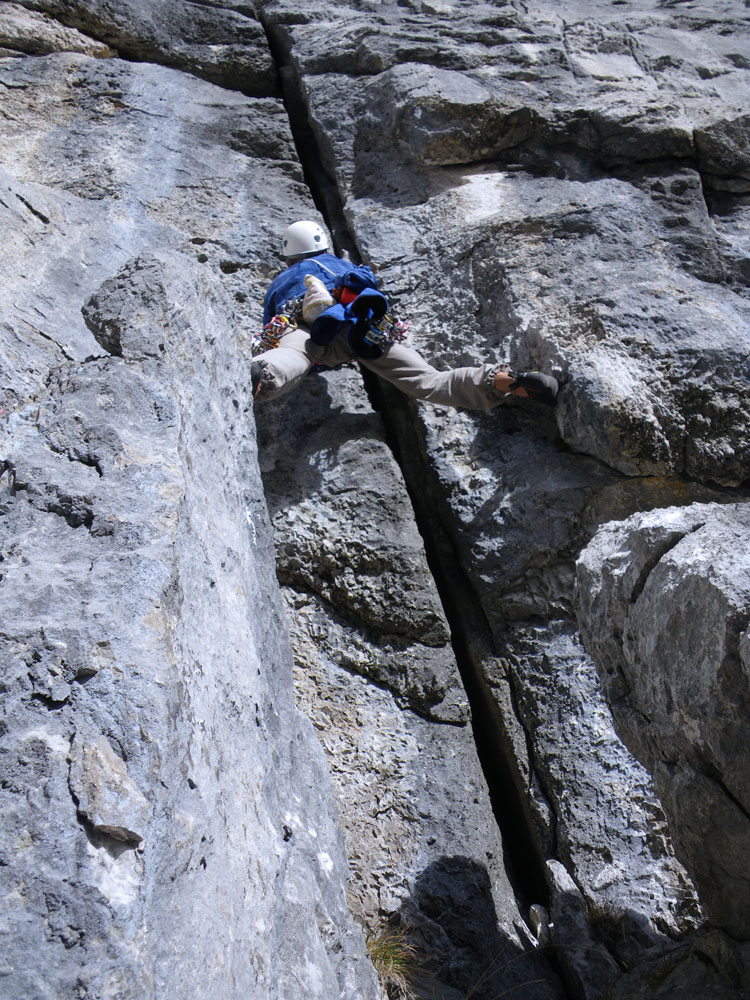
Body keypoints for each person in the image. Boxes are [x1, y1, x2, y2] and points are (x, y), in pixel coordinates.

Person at [251, 220, 559, 409]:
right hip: (361, 330)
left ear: (290, 254)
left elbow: (272, 330)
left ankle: (259, 375)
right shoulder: (344, 267)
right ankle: (509, 381)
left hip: (307, 325)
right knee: (431, 381)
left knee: (293, 354)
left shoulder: (283, 279)